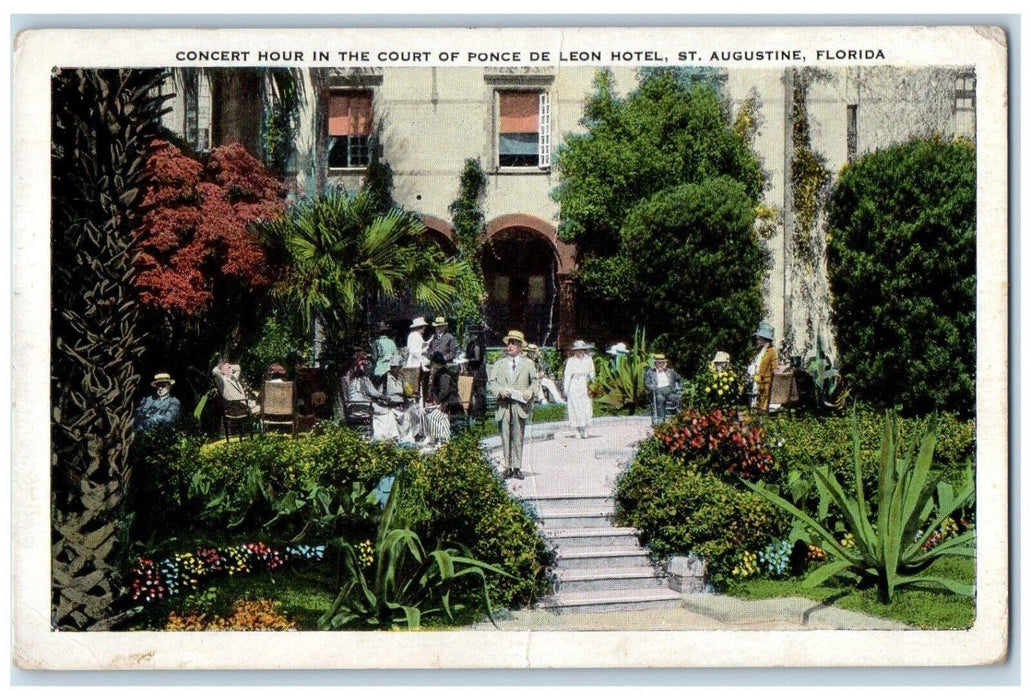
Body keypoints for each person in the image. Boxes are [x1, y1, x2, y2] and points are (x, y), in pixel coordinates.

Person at [487, 329, 539, 480]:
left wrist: (530, 392)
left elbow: (535, 382)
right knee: (505, 436)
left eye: (514, 343)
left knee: (518, 436)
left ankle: (517, 467)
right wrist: (500, 391)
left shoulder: (528, 364)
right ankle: (507, 467)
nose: (510, 346)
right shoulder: (499, 364)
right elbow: (492, 383)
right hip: (504, 405)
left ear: (520, 347)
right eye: (509, 343)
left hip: (519, 405)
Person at [343, 352, 400, 442]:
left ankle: (387, 435)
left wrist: (379, 397)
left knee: (383, 409)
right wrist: (383, 397)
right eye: (363, 361)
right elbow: (372, 392)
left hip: (357, 405)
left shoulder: (354, 376)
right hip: (361, 405)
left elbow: (371, 392)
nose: (366, 364)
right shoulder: (358, 377)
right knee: (386, 411)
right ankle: (385, 435)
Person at [425, 352, 462, 446]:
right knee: (425, 413)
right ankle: (433, 437)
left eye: (432, 364)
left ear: (436, 363)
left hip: (450, 403)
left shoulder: (444, 375)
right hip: (445, 402)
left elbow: (445, 392)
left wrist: (437, 402)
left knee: (432, 416)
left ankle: (441, 438)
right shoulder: (440, 373)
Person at [563, 340, 595, 439]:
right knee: (575, 407)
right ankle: (577, 429)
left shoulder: (588, 359)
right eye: (577, 350)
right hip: (574, 384)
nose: (579, 352)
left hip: (585, 384)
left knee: (586, 407)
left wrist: (592, 382)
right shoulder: (571, 361)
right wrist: (566, 389)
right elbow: (567, 375)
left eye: (581, 350)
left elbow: (592, 372)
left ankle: (584, 428)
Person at [748, 321, 778, 413]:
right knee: (754, 408)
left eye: (759, 338)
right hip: (757, 382)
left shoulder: (772, 351)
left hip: (765, 384)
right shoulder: (759, 351)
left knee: (762, 409)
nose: (757, 340)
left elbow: (774, 369)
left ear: (764, 339)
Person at [644, 353, 682, 425]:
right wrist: (653, 388)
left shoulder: (670, 371)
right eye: (659, 363)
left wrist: (679, 387)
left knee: (678, 398)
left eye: (662, 363)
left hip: (670, 391)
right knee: (660, 399)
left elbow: (679, 378)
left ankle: (680, 418)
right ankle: (661, 421)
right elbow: (647, 384)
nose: (661, 364)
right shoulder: (650, 372)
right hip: (657, 391)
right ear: (655, 363)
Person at [463, 324, 488, 420]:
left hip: (477, 371)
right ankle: (477, 413)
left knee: (479, 393)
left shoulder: (477, 345)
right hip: (476, 371)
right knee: (477, 392)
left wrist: (467, 359)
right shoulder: (475, 344)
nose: (470, 336)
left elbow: (477, 358)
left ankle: (479, 414)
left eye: (471, 335)